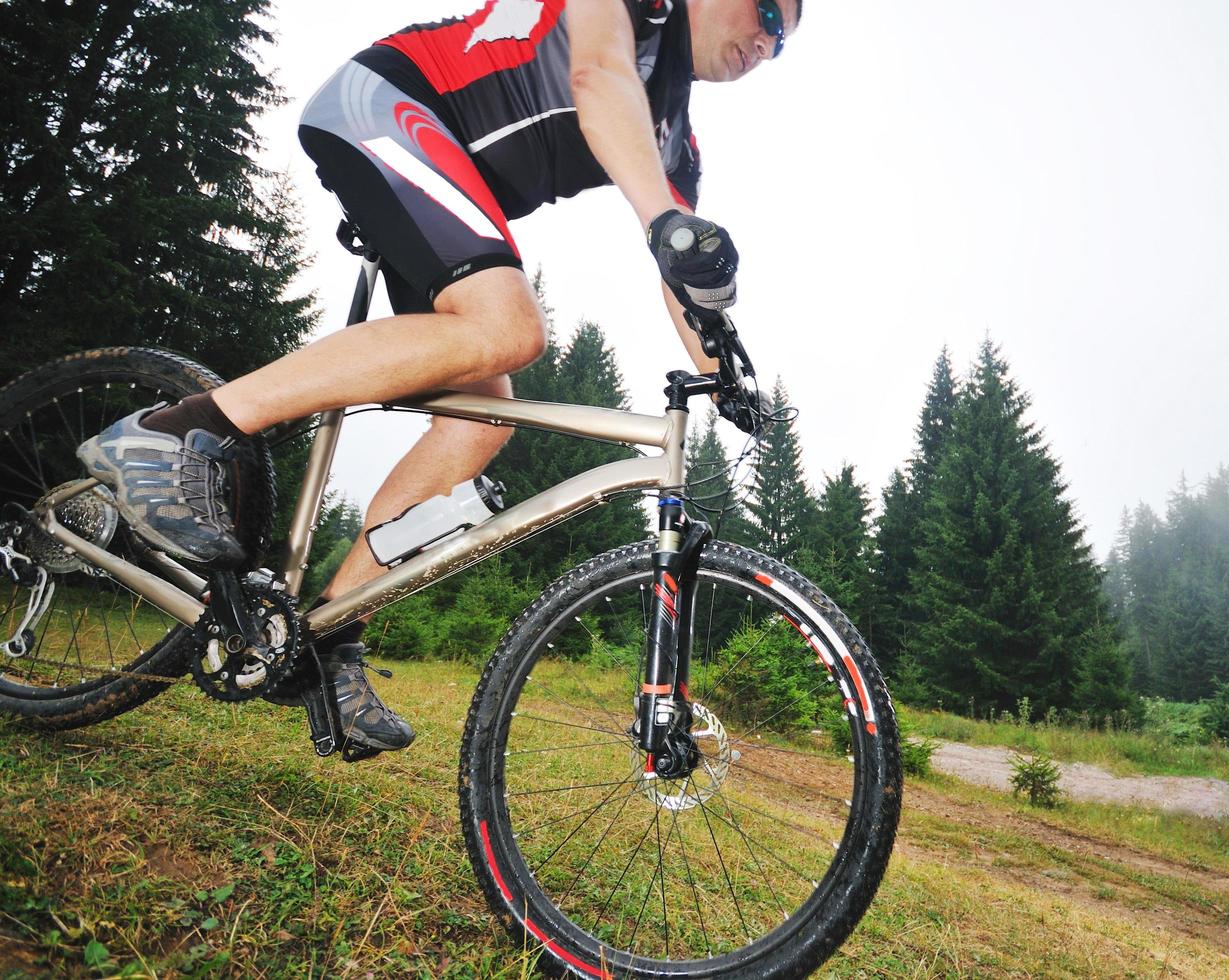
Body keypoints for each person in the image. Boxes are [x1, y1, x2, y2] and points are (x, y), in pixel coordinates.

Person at [74, 0, 799, 757]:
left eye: (782, 45)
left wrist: (724, 374)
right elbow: (597, 74)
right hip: (387, 106)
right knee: (509, 328)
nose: (768, 44)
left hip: (443, 177)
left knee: (483, 421)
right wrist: (664, 222)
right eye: (770, 15)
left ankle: (330, 634)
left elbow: (677, 274)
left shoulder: (674, 142)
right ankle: (184, 429)